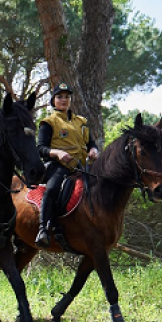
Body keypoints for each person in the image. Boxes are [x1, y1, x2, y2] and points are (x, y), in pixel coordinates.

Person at [35, 83, 100, 247]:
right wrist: (56, 153)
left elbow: (92, 142)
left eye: (66, 97)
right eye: (59, 97)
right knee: (52, 189)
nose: (63, 100)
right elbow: (40, 148)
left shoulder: (81, 121)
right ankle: (43, 229)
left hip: (83, 167)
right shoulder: (48, 122)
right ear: (53, 100)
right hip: (59, 166)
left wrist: (94, 150)